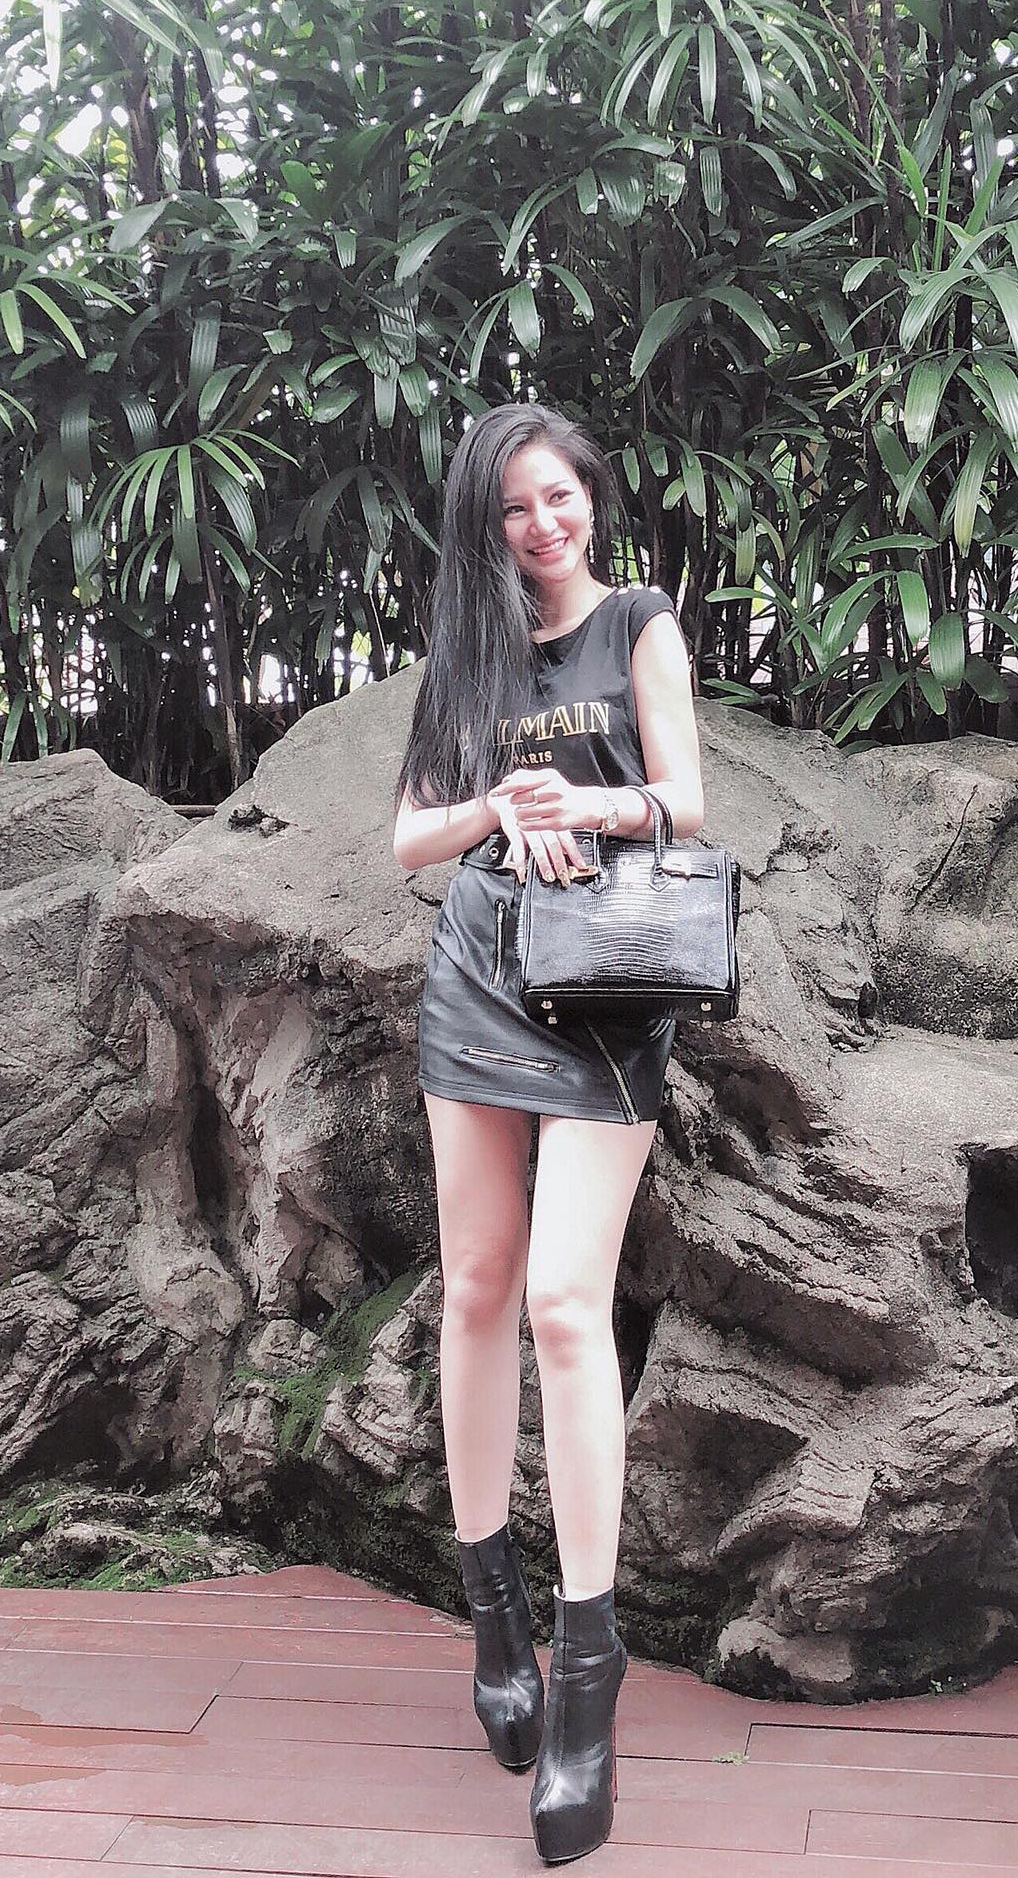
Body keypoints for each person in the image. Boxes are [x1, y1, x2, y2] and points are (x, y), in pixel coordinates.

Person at [392, 402, 704, 1863]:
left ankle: (587, 1672)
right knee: (475, 1289)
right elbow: (407, 838)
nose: (542, 524)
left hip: (607, 986)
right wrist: (495, 810)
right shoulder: (462, 651)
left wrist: (591, 802)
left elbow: (687, 801)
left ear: (591, 497)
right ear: (487, 521)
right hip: (476, 974)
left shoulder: (638, 624)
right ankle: (493, 1616)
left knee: (568, 1305)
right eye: (515, 506)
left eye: (559, 496)